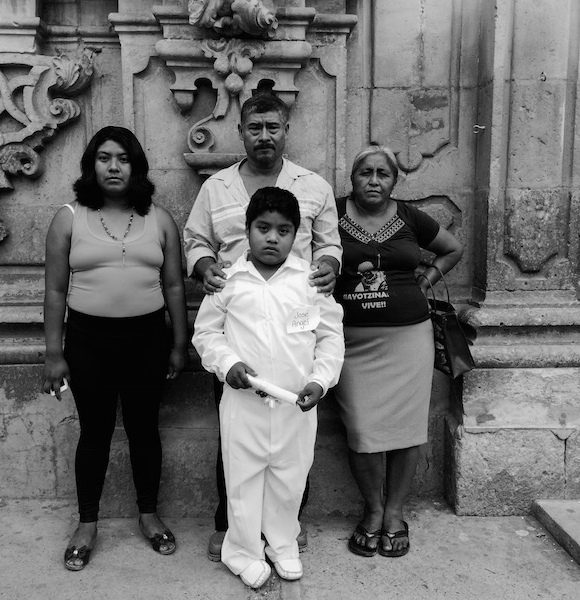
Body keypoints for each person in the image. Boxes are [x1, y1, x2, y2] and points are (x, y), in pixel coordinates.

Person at [183, 92, 342, 560]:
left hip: (295, 317)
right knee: (235, 434)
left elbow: (330, 243)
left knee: (295, 439)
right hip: (240, 319)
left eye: (273, 127)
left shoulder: (313, 186)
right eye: (256, 128)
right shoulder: (216, 187)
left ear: (286, 129)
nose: (265, 136)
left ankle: (285, 528)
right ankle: (231, 527)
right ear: (241, 131)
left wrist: (330, 265)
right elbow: (195, 239)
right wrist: (205, 265)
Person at [41, 126, 189, 571]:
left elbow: (176, 286)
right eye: (104, 158)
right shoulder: (68, 217)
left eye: (123, 158)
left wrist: (180, 342)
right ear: (91, 166)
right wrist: (53, 353)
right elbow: (53, 290)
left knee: (145, 430)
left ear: (136, 166)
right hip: (89, 342)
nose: (113, 166)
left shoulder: (160, 219)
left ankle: (148, 513)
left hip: (148, 340)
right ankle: (87, 522)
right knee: (95, 433)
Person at [333, 144, 463, 558]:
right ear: (352, 179)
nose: (373, 180)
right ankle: (371, 510)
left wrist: (424, 281)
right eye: (365, 173)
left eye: (382, 174)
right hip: (351, 342)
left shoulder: (409, 217)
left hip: (410, 338)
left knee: (407, 430)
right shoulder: (331, 213)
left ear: (394, 180)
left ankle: (393, 514)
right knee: (361, 429)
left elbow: (453, 249)